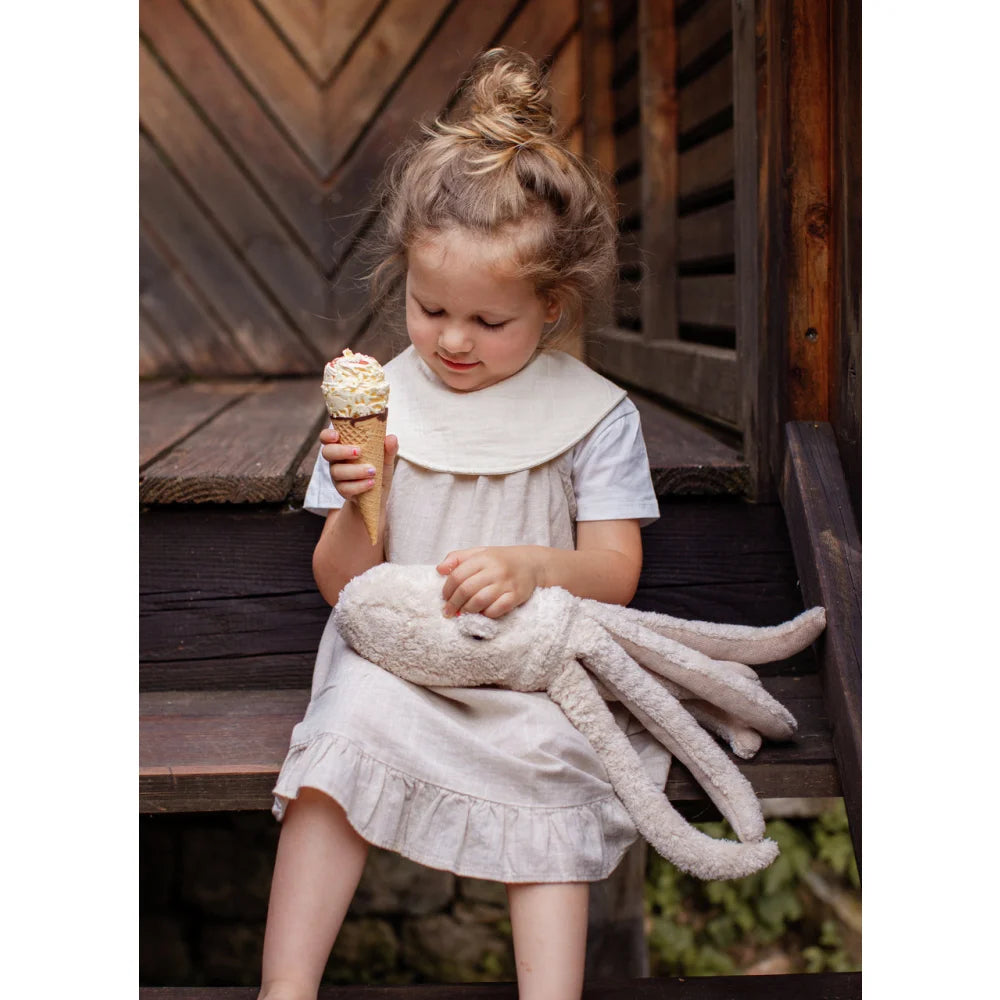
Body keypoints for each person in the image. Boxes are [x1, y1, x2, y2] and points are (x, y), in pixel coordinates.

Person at [259, 47, 664, 1000]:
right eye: (428, 306)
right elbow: (341, 587)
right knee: (344, 730)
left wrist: (531, 567)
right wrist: (366, 497)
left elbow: (617, 569)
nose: (448, 338)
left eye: (487, 321)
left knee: (548, 761)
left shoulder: (596, 415)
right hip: (396, 663)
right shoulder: (381, 404)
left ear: (551, 305)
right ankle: (286, 990)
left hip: (526, 670)